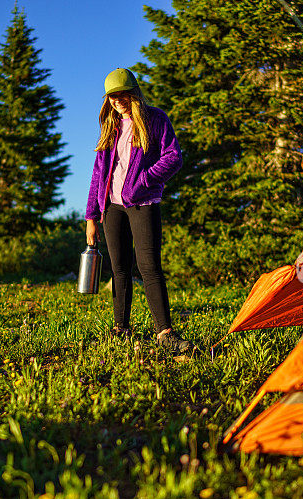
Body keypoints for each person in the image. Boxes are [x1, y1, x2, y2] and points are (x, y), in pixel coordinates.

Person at [84, 67, 193, 356]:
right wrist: (92, 216)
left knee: (149, 268)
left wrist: (144, 180)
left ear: (134, 93)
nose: (118, 100)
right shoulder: (109, 126)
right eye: (112, 96)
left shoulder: (155, 119)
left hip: (143, 203)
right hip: (111, 207)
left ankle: (165, 332)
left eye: (122, 94)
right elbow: (98, 175)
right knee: (119, 270)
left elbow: (174, 157)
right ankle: (121, 327)